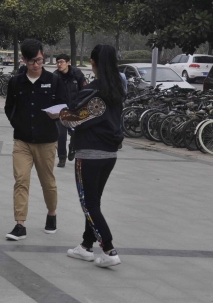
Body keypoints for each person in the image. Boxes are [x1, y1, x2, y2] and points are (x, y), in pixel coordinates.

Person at [62, 44, 125, 268]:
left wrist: (60, 114)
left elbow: (73, 119)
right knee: (94, 201)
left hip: (89, 154)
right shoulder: (117, 89)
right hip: (110, 154)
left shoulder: (93, 92)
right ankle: (86, 246)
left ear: (93, 63)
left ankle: (109, 249)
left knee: (89, 204)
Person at [4, 39, 68, 241]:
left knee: (47, 182)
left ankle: (52, 213)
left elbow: (64, 105)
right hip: (22, 141)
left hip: (46, 140)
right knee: (21, 180)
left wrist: (57, 115)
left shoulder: (54, 80)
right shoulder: (16, 82)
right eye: (32, 61)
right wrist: (17, 123)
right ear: (24, 60)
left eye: (40, 60)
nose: (36, 64)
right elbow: (9, 107)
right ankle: (20, 224)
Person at [53, 54, 87, 168]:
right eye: (58, 62)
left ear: (68, 62)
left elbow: (84, 91)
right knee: (61, 134)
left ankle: (72, 147)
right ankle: (62, 157)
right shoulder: (55, 76)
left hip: (75, 109)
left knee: (75, 133)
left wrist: (79, 105)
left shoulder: (77, 74)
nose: (59, 64)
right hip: (61, 110)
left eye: (62, 62)